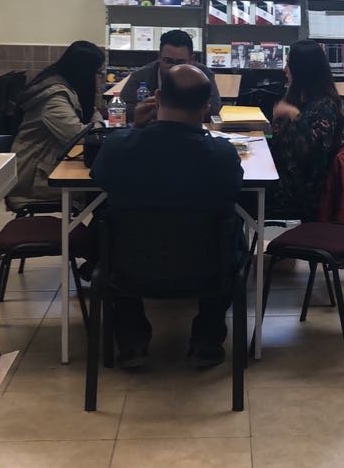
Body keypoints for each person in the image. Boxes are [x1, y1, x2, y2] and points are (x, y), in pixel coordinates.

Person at [91, 64, 243, 369]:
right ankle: (206, 342)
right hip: (206, 270)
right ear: (206, 108)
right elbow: (232, 190)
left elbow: (101, 178)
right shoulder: (222, 155)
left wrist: (135, 130)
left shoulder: (119, 147)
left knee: (107, 224)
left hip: (128, 269)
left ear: (157, 97)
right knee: (231, 228)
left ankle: (132, 342)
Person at [10, 41, 104, 207]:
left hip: (46, 164)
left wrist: (95, 120)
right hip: (34, 177)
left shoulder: (62, 86)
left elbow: (92, 111)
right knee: (106, 189)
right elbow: (79, 137)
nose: (98, 78)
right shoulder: (54, 98)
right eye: (97, 72)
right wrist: (99, 125)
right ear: (84, 71)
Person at [270, 39, 344, 220]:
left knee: (233, 194)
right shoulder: (298, 98)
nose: (285, 70)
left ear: (302, 70)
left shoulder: (325, 107)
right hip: (283, 179)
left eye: (289, 64)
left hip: (299, 194)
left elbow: (313, 153)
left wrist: (294, 115)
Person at [121, 29, 221, 125]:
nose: (174, 67)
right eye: (168, 61)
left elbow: (213, 110)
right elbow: (123, 108)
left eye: (180, 62)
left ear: (191, 60)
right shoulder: (141, 76)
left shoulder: (203, 75)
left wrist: (161, 112)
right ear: (159, 57)